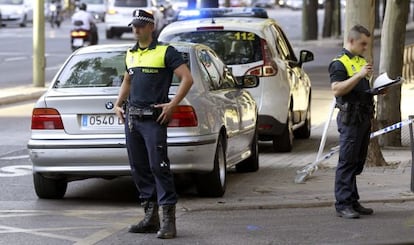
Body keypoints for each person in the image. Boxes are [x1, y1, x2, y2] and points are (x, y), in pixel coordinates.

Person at [114, 9, 193, 239]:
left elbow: (187, 78)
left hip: (153, 120)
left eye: (140, 25)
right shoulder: (130, 54)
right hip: (132, 120)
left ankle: (169, 221)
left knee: (159, 167)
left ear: (151, 27)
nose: (135, 29)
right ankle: (150, 217)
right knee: (139, 168)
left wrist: (172, 105)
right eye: (133, 26)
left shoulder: (165, 52)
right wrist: (118, 103)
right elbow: (128, 80)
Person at [329, 24, 375, 219]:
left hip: (363, 117)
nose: (365, 47)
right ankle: (343, 204)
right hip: (350, 119)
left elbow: (361, 89)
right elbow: (337, 89)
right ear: (351, 41)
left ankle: (352, 200)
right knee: (347, 162)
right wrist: (359, 75)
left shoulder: (359, 60)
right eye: (363, 44)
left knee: (357, 161)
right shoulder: (339, 63)